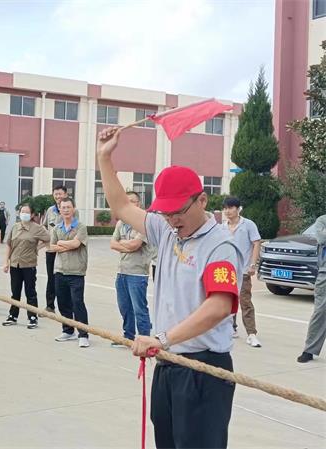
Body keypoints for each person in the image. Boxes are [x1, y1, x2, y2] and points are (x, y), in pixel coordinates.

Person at [98, 126, 243, 449]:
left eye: (179, 211)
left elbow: (219, 306)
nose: (172, 219)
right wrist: (104, 157)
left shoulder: (220, 246)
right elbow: (121, 206)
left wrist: (163, 338)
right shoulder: (165, 231)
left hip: (202, 370)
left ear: (202, 200)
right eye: (166, 212)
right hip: (168, 364)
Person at [110, 191, 152, 347]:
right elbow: (112, 244)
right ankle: (128, 336)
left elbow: (136, 245)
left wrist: (122, 244)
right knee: (124, 307)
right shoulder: (121, 223)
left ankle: (145, 339)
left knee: (139, 308)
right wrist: (126, 246)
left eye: (132, 201)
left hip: (137, 273)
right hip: (122, 272)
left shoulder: (144, 224)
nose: (129, 204)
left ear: (138, 204)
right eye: (126, 201)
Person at [49, 198, 90, 348]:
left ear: (73, 209)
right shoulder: (57, 228)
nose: (65, 210)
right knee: (63, 303)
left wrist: (61, 243)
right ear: (59, 210)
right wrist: (65, 245)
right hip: (60, 270)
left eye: (68, 207)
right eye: (63, 207)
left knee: (77, 302)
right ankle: (68, 330)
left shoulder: (80, 227)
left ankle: (83, 334)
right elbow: (52, 247)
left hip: (76, 271)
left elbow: (76, 244)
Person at [222, 196, 262, 347]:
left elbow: (256, 243)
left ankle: (252, 334)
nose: (227, 211)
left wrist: (253, 264)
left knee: (245, 301)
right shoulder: (223, 227)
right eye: (225, 208)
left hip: (243, 270)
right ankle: (231, 328)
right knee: (227, 300)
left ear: (238, 209)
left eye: (231, 208)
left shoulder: (248, 224)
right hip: (226, 271)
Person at [2, 203, 50, 328]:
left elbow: (48, 239)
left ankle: (32, 316)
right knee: (15, 292)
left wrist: (37, 248)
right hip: (15, 264)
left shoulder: (37, 228)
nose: (24, 214)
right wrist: (5, 261)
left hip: (28, 264)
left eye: (27, 212)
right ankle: (13, 315)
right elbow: (8, 245)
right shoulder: (15, 227)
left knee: (30, 292)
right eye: (22, 211)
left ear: (32, 214)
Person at [42, 185, 79, 313]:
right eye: (55, 194)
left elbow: (76, 230)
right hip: (52, 250)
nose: (58, 196)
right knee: (51, 278)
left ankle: (71, 307)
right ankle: (50, 306)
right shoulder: (50, 210)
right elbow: (45, 227)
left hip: (67, 250)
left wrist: (64, 245)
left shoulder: (73, 210)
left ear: (66, 194)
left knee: (67, 278)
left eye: (60, 194)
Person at [297, 214, 326, 363]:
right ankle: (309, 350)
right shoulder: (322, 220)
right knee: (320, 312)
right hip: (324, 274)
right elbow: (321, 239)